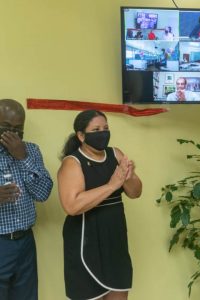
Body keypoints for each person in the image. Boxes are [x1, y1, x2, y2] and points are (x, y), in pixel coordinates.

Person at [57, 110, 142, 300]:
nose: (103, 133)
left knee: (118, 291)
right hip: (85, 242)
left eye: (106, 128)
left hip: (115, 238)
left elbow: (135, 193)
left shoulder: (115, 154)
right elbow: (71, 206)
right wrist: (112, 185)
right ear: (81, 136)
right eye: (96, 129)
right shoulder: (72, 163)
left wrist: (129, 176)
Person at [0, 99, 53, 300]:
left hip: (25, 242)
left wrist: (23, 158)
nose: (12, 134)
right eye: (5, 127)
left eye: (18, 129)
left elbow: (43, 193)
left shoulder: (31, 150)